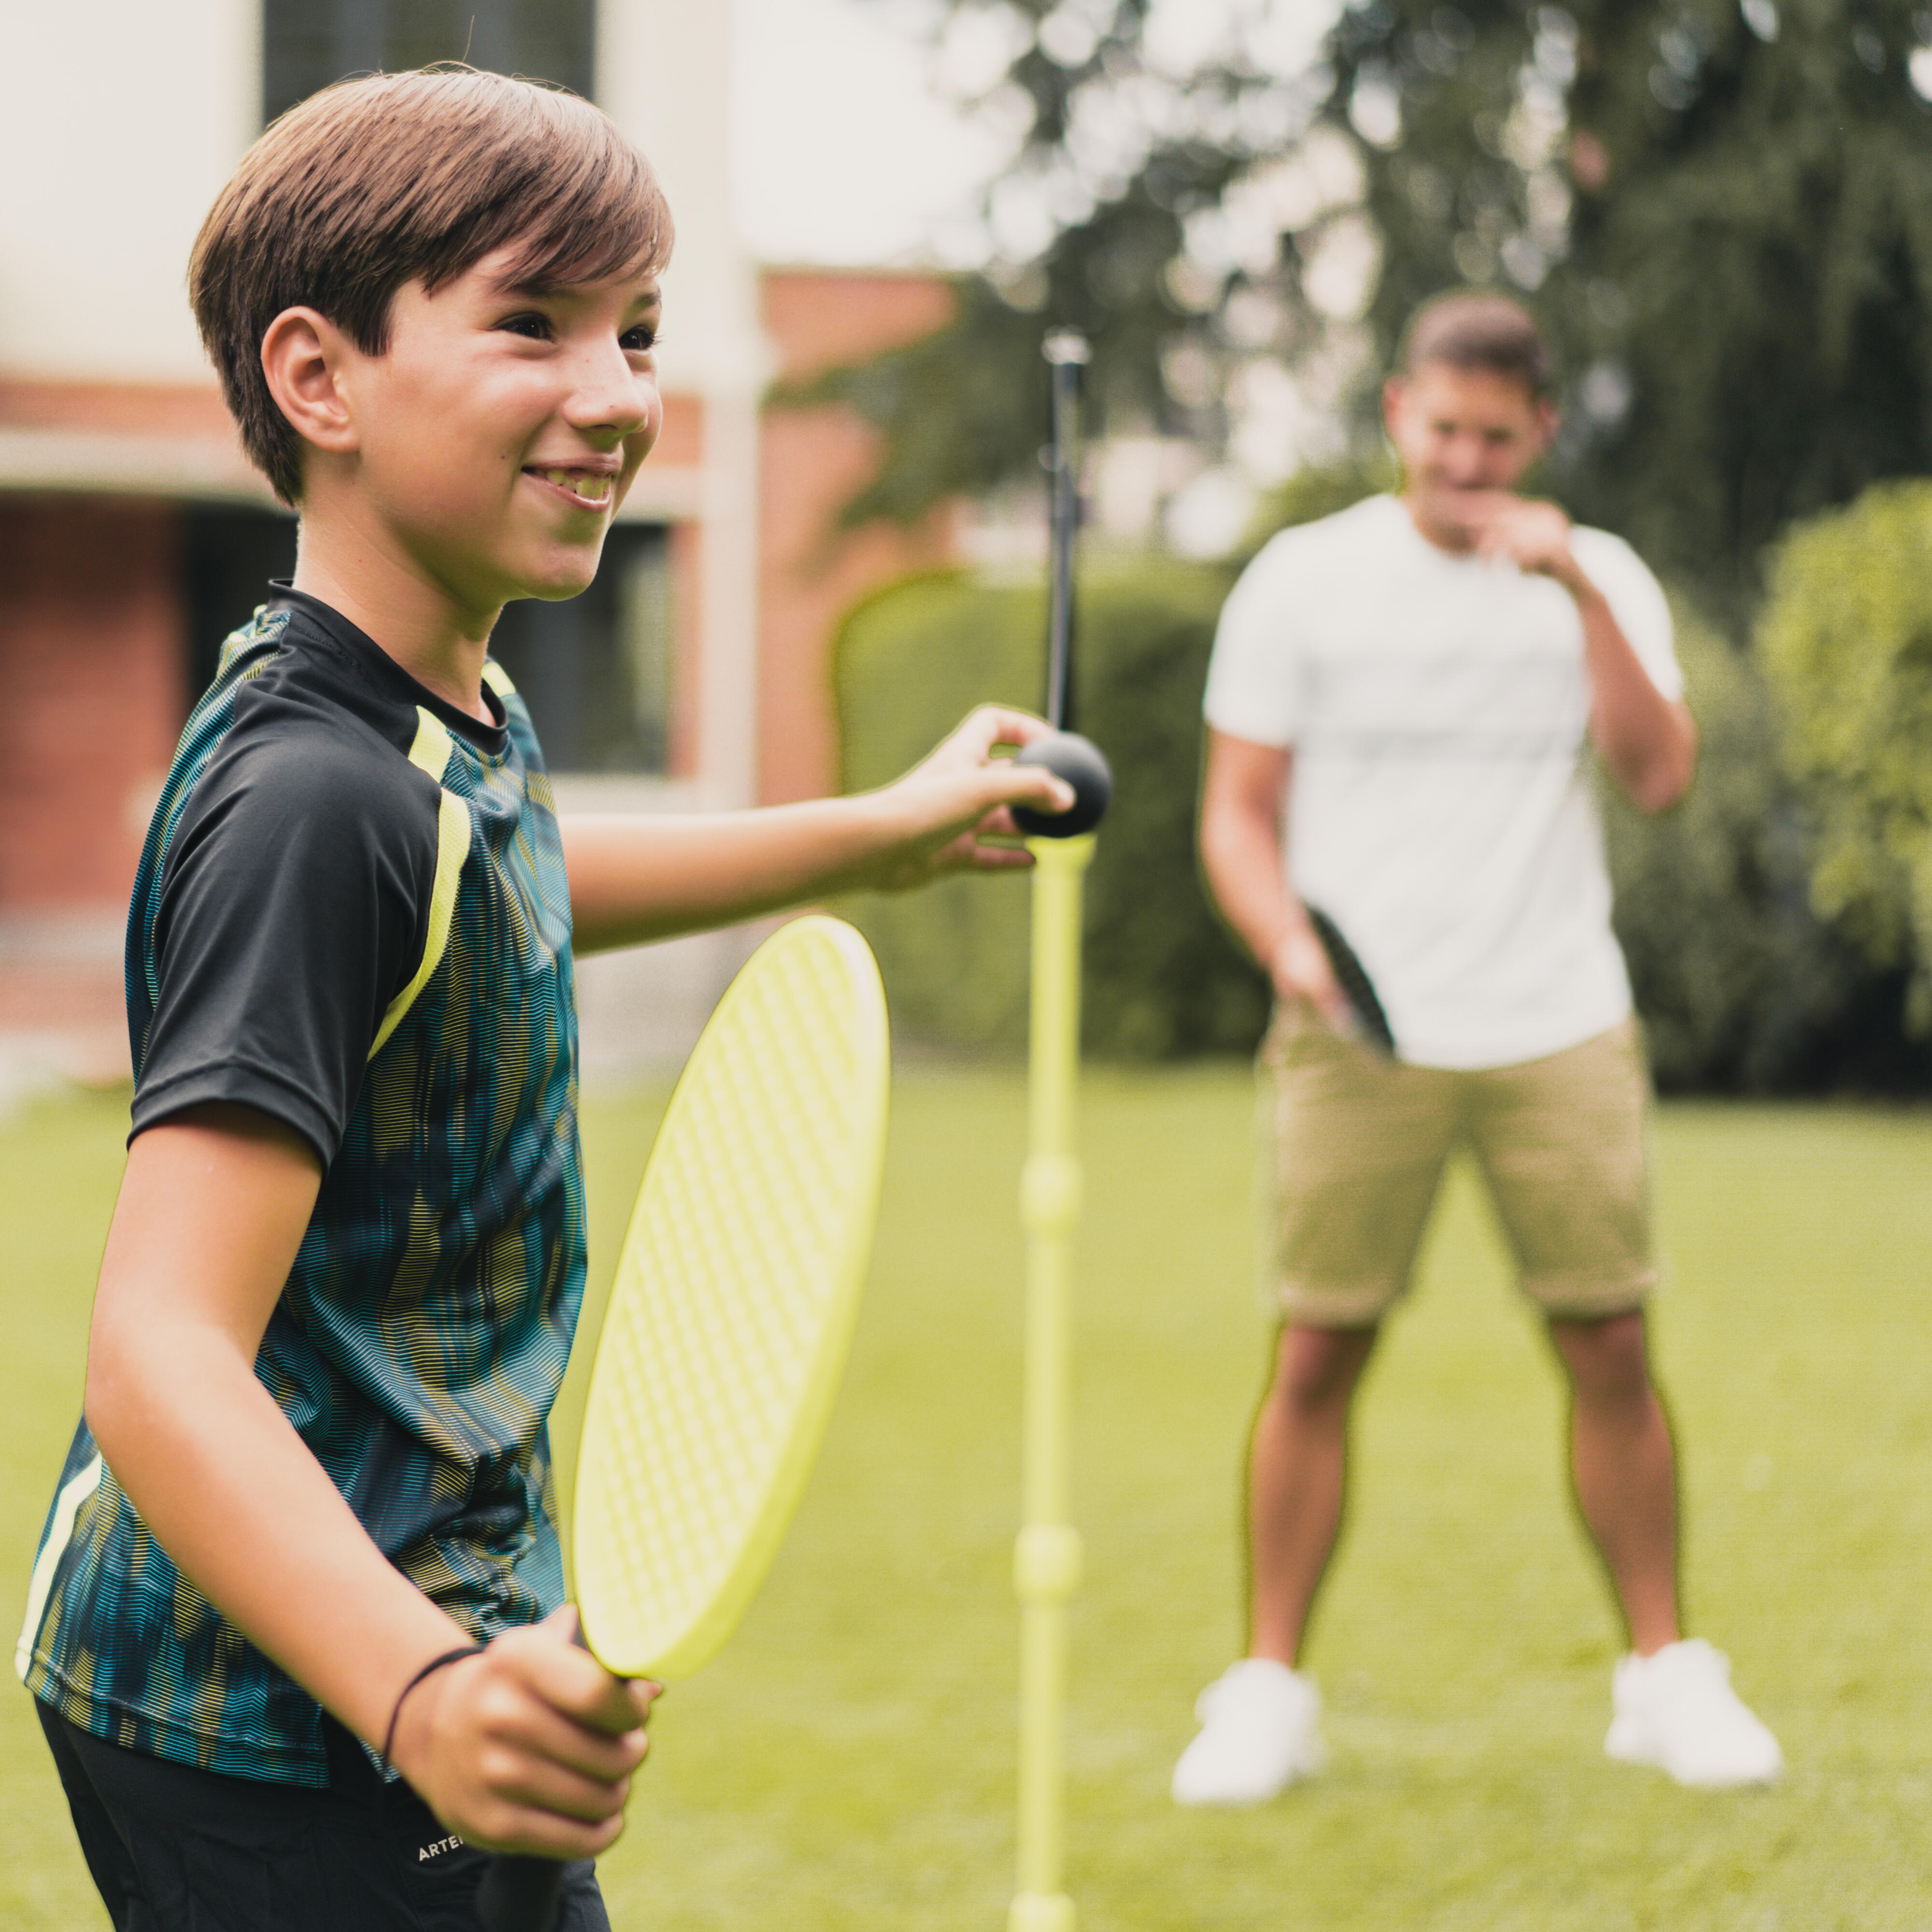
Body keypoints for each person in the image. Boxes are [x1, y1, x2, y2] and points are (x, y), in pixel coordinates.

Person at [14, 68, 1074, 1932]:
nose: (618, 395)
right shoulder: (316, 793)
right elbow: (159, 1347)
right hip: (273, 1707)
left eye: (640, 331)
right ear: (318, 379)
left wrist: (879, 836)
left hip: (416, 1639)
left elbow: (510, 888)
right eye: (534, 322)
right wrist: (419, 1690)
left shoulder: (427, 713)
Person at [1171, 291, 1781, 1806]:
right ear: (1398, 414)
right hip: (1354, 1028)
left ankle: (1664, 1679)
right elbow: (1235, 817)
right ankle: (1266, 1695)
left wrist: (1573, 576)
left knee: (1612, 1343)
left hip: (1557, 1016)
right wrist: (1289, 947)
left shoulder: (1599, 574)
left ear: (1539, 436)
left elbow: (1657, 776)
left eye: (1494, 440)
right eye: (1441, 431)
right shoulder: (1303, 583)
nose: (1463, 461)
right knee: (1318, 1349)